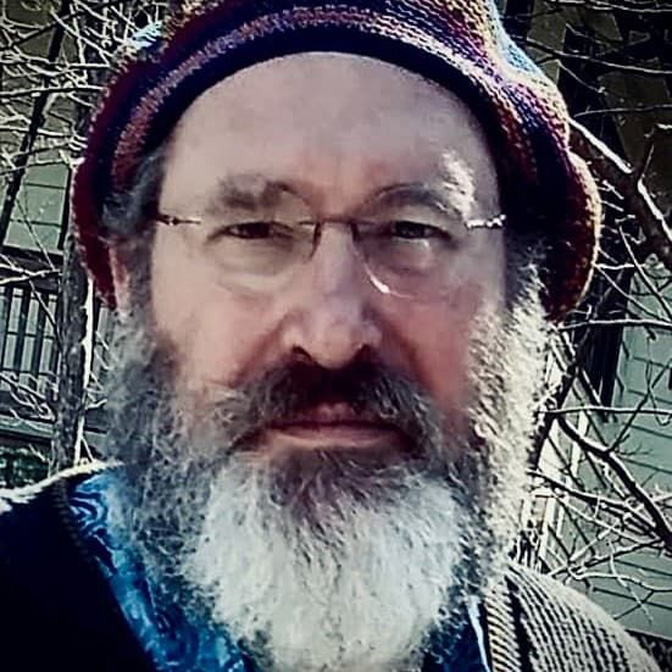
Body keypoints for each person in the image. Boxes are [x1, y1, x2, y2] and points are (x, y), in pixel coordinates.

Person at [0, 0, 660, 670]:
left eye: (413, 231)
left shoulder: (601, 661)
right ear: (131, 278)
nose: (333, 334)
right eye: (253, 231)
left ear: (520, 291)